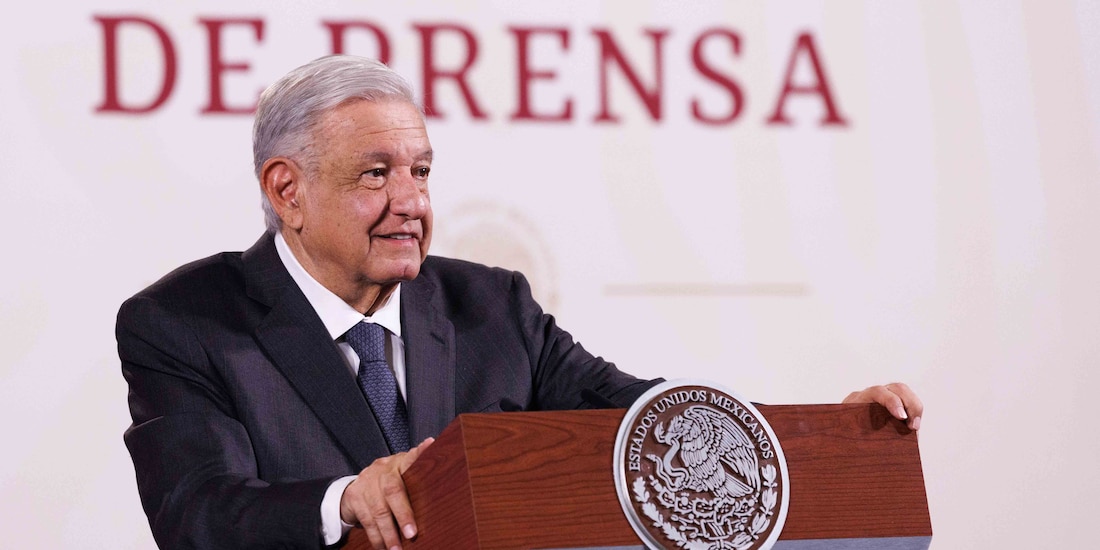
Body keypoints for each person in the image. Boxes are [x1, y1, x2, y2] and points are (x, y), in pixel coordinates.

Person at [117, 55, 923, 550]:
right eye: (376, 174)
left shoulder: (488, 305)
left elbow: (640, 415)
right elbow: (201, 516)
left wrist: (814, 439)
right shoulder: (184, 323)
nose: (412, 203)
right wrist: (345, 500)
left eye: (422, 172)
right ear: (286, 190)